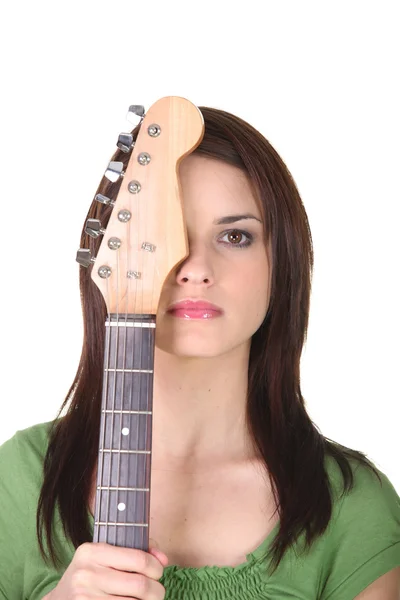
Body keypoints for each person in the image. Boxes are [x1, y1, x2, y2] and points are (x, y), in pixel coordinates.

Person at [0, 104, 399, 600]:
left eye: (235, 236)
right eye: (160, 239)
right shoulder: (18, 480)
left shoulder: (350, 506)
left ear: (283, 264)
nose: (194, 268)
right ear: (110, 252)